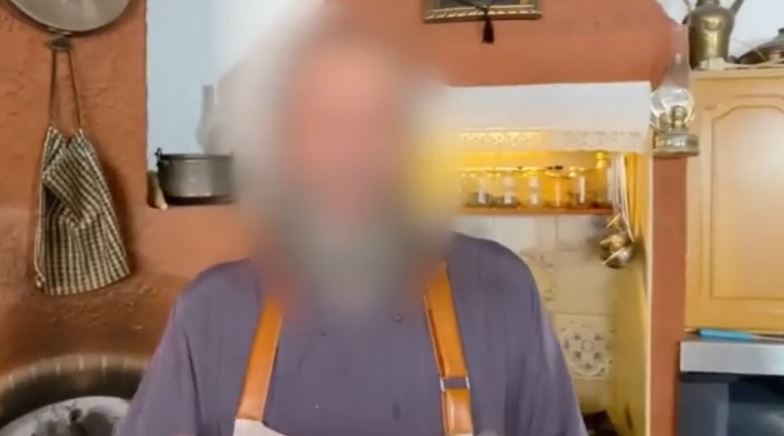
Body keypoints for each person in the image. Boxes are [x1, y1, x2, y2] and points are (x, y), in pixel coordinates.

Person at [119, 6, 586, 436]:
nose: (352, 154)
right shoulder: (211, 317)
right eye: (322, 121)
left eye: (379, 119)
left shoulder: (501, 295)